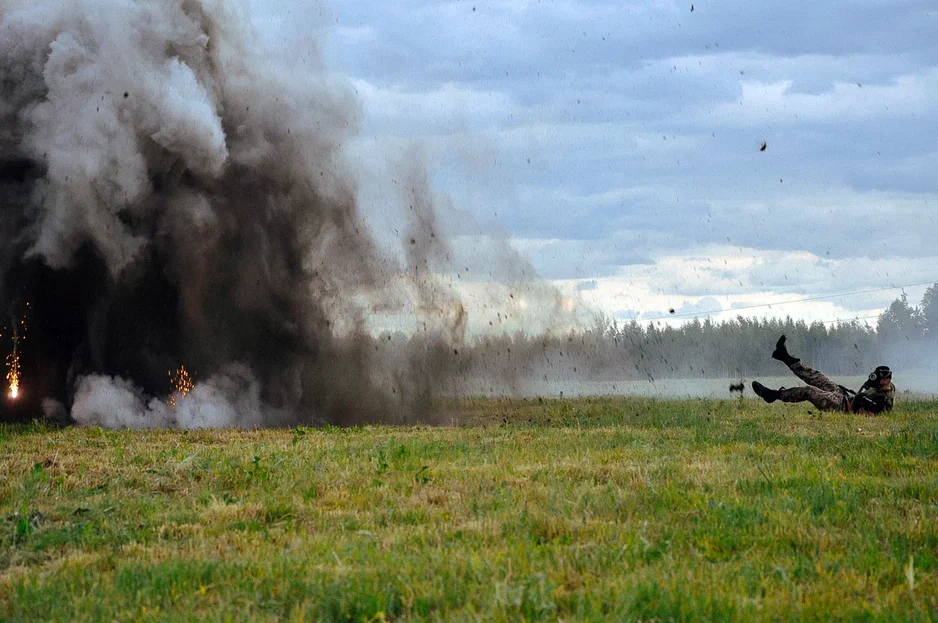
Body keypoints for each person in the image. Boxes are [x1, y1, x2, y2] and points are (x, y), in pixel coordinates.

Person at [752, 335, 895, 415]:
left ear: (884, 381)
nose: (873, 381)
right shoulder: (888, 387)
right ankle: (786, 358)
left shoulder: (884, 402)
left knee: (810, 391)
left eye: (878, 379)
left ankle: (773, 395)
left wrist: (858, 405)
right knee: (819, 378)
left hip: (842, 408)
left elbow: (866, 415)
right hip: (844, 396)